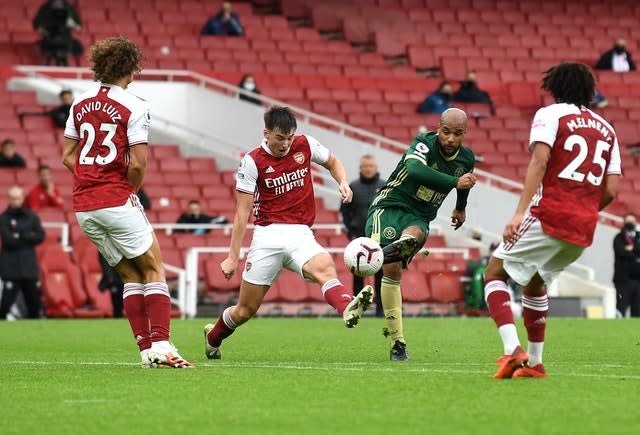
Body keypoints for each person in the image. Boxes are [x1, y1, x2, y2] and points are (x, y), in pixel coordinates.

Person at [62, 36, 194, 368]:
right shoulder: (136, 106)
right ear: (131, 69)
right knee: (154, 269)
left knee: (130, 276)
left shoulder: (79, 102)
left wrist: (91, 177)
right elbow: (137, 164)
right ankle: (163, 346)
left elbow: (67, 156)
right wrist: (125, 189)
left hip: (84, 206)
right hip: (116, 199)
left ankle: (146, 351)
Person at [483, 62, 621, 379]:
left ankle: (510, 350)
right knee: (535, 281)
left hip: (550, 212)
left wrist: (519, 213)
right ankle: (535, 363)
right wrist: (584, 210)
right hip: (585, 225)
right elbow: (611, 190)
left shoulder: (550, 115)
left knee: (494, 271)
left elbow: (540, 159)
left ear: (554, 87)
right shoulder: (608, 129)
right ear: (590, 92)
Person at [204, 106, 374, 360]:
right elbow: (242, 214)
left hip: (300, 233)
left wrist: (342, 181)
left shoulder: (306, 145)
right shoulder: (252, 161)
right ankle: (213, 337)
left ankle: (346, 306)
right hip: (267, 236)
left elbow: (333, 161)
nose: (285, 144)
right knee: (245, 310)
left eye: (289, 138)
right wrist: (232, 256)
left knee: (324, 266)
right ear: (266, 133)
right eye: (279, 138)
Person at [365, 108, 477, 360]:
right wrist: (454, 184)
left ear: (464, 134)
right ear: (439, 128)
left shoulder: (466, 158)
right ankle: (376, 262)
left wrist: (460, 207)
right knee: (388, 266)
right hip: (391, 204)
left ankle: (397, 343)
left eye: (456, 134)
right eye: (446, 132)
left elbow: (465, 181)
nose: (449, 139)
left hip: (420, 215)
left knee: (404, 250)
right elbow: (415, 170)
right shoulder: (424, 143)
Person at [340, 154, 385, 316]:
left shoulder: (384, 186)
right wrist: (350, 230)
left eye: (370, 166)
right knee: (357, 274)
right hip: (358, 237)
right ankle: (357, 309)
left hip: (379, 237)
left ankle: (381, 310)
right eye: (364, 166)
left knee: (381, 275)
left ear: (375, 168)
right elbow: (344, 211)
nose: (367, 169)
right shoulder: (353, 186)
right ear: (360, 168)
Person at [0, 185, 45, 320]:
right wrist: (28, 236)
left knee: (34, 307)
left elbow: (40, 236)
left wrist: (20, 235)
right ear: (9, 199)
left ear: (23, 199)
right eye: (12, 198)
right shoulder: (3, 218)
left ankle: (36, 335)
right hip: (11, 267)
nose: (15, 201)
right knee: (5, 307)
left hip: (28, 267)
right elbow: (8, 240)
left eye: (18, 198)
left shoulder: (32, 217)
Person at [33, 0, 84, 66]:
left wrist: (72, 24)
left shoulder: (70, 8)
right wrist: (44, 30)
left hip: (65, 38)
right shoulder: (46, 7)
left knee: (72, 45)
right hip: (49, 37)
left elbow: (79, 27)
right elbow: (37, 26)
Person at [613, 213, 640, 318]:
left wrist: (631, 248)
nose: (630, 224)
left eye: (632, 221)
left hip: (638, 280)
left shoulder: (638, 236)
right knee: (621, 307)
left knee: (637, 309)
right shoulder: (618, 238)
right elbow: (621, 251)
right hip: (623, 281)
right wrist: (635, 250)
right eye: (628, 222)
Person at [98, 252, 124, 318]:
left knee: (121, 297)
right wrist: (109, 276)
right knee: (115, 298)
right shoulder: (104, 248)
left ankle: (119, 315)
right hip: (113, 279)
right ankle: (117, 315)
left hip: (122, 277)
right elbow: (104, 263)